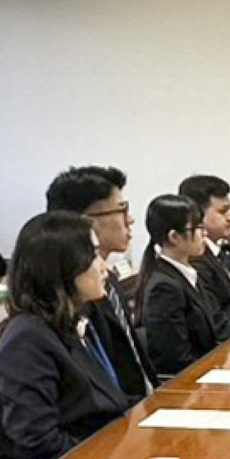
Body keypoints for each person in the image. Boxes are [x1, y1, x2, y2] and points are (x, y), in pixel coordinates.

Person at [0, 212, 133, 459]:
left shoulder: (77, 320)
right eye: (93, 256)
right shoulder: (27, 342)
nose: (103, 266)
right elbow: (38, 444)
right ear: (63, 268)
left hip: (103, 453)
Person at [46, 164, 154, 400]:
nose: (130, 220)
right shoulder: (74, 296)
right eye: (122, 210)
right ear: (87, 222)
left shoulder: (109, 281)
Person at [139, 193, 224, 379]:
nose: (204, 233)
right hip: (189, 381)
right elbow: (175, 358)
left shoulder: (189, 273)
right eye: (197, 228)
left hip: (207, 370)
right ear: (174, 237)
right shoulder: (164, 287)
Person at [178, 174, 230, 334]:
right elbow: (216, 320)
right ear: (197, 215)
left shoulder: (221, 251)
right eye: (222, 211)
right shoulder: (196, 261)